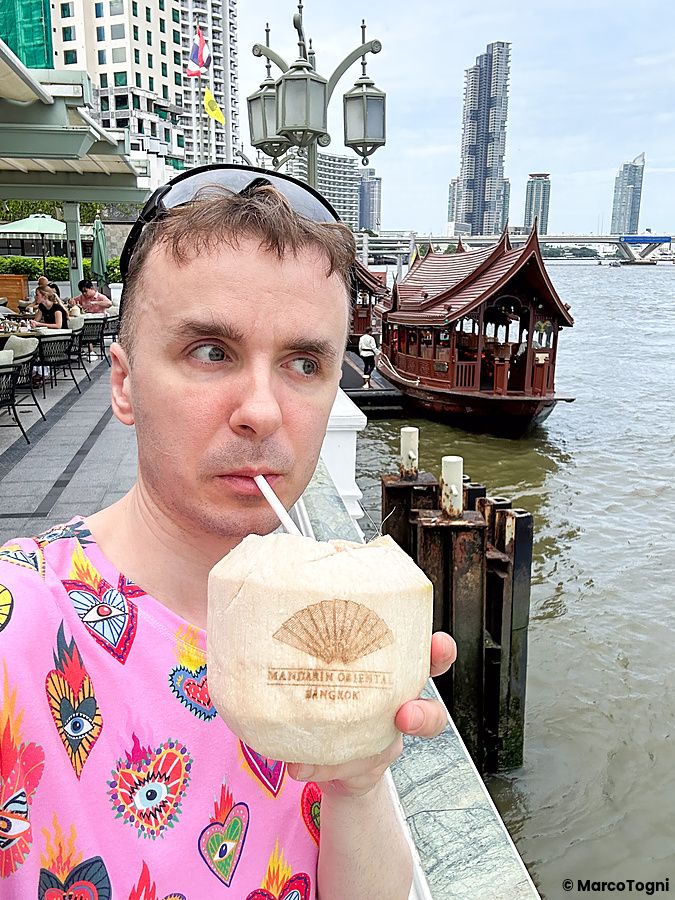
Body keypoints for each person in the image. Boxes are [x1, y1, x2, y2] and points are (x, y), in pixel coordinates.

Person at [0, 165, 456, 899]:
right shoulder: (17, 628)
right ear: (124, 382)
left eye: (304, 363)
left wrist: (360, 777)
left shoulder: (319, 635)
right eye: (211, 352)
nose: (262, 411)